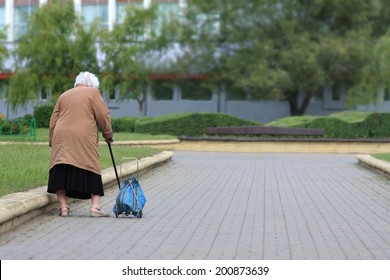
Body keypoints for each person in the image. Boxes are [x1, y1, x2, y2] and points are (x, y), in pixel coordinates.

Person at [47, 71, 114, 217]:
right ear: (93, 84)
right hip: (83, 134)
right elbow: (103, 115)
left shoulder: (64, 95)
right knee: (91, 165)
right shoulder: (93, 93)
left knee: (61, 166)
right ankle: (95, 208)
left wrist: (52, 139)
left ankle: (64, 207)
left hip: (62, 135)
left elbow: (54, 119)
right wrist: (108, 134)